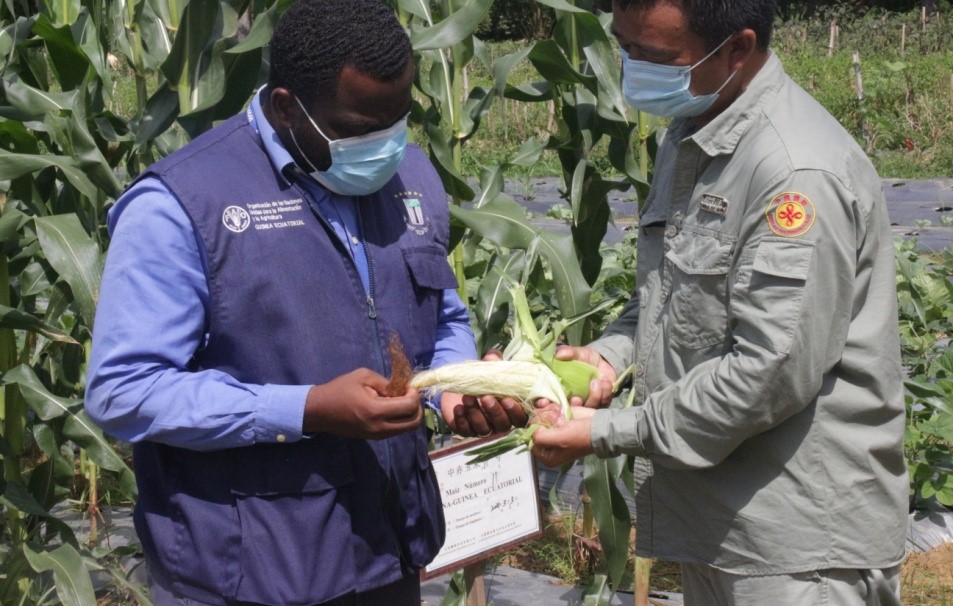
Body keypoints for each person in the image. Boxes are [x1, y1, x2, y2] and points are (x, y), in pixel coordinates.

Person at [85, 1, 479, 604]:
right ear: (286, 105)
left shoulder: (411, 177)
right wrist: (304, 410)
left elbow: (441, 315)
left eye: (396, 120)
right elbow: (124, 389)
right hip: (248, 571)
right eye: (356, 129)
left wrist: (453, 388)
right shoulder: (183, 205)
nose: (384, 145)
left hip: (390, 549)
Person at [530, 1, 908, 604]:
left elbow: (770, 371)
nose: (630, 69)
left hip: (797, 540)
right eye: (623, 46)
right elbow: (669, 300)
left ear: (737, 48)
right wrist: (608, 358)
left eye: (653, 57)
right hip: (724, 523)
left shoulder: (793, 172)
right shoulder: (696, 130)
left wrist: (607, 430)